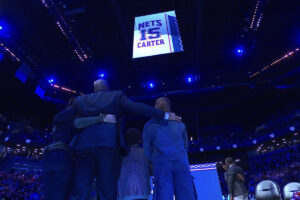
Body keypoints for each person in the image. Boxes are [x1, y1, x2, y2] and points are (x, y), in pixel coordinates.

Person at [68, 79, 181, 200]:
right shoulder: (115, 96)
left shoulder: (80, 100)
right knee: (107, 191)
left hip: (83, 148)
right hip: (107, 147)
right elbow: (138, 107)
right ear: (107, 88)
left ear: (94, 89)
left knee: (81, 190)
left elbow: (74, 123)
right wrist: (165, 115)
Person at [42, 98, 113, 200]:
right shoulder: (75, 118)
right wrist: (101, 118)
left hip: (48, 157)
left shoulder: (60, 117)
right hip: (63, 156)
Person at [143, 97, 195, 200]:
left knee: (163, 195)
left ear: (155, 107)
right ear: (169, 107)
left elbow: (147, 149)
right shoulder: (179, 123)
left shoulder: (149, 126)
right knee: (185, 194)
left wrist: (156, 159)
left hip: (161, 163)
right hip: (180, 161)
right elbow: (185, 145)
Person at [117, 128, 151, 200]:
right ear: (140, 140)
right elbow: (151, 170)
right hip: (142, 189)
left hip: (124, 190)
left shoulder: (121, 155)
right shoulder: (145, 153)